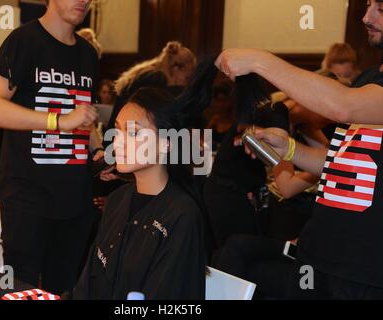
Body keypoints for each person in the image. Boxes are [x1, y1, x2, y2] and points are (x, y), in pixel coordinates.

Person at [216, 0, 383, 299]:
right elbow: (345, 163)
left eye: (381, 7)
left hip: (364, 273)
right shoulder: (369, 80)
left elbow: (344, 106)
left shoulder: (357, 96)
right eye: (369, 4)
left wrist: (260, 61)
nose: (366, 16)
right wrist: (290, 150)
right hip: (319, 258)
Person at [0, 0, 99, 294]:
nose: (84, 0)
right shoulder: (24, 40)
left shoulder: (87, 53)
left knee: (65, 289)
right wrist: (58, 121)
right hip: (27, 196)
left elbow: (82, 118)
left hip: (76, 199)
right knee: (20, 288)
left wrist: (100, 153)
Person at [71, 88, 206, 300]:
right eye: (117, 131)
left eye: (133, 133)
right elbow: (88, 284)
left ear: (166, 143)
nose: (117, 143)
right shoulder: (117, 200)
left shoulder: (181, 216)